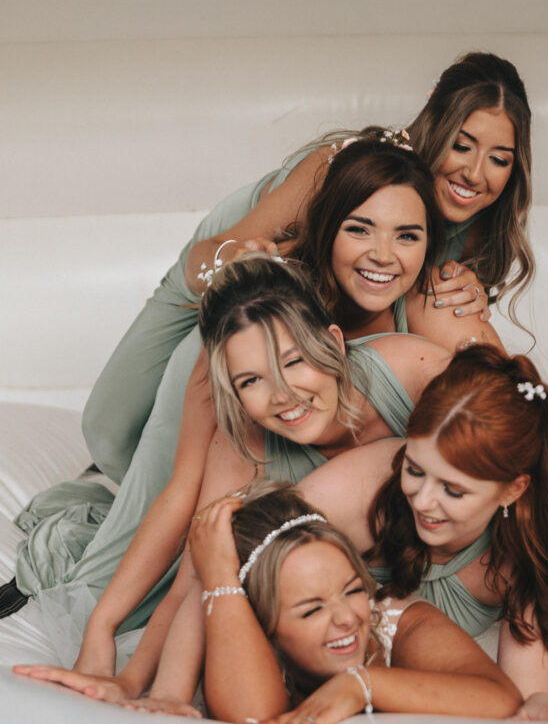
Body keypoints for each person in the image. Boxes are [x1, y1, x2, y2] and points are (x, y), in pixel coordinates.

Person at [82, 51, 532, 486]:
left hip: (306, 312)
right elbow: (213, 253)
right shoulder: (338, 167)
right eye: (461, 145)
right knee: (109, 437)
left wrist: (466, 293)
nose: (475, 174)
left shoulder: (479, 225)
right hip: (218, 270)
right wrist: (239, 263)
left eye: (499, 159)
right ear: (435, 118)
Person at [12, 252, 453, 687]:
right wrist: (117, 656)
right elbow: (195, 573)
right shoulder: (241, 444)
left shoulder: (410, 369)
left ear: (334, 343)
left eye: (294, 361)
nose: (282, 395)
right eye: (251, 380)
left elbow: (489, 446)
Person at [297, 346, 548, 715]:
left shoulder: (529, 551)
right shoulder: (363, 488)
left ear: (513, 490)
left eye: (453, 490)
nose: (423, 500)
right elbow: (270, 548)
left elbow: (525, 695)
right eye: (414, 470)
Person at [17, 485, 522, 724]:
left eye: (352, 589)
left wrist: (362, 683)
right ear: (258, 621)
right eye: (311, 610)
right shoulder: (232, 617)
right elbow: (254, 716)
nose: (347, 618)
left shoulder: (395, 620)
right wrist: (219, 576)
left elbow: (500, 699)